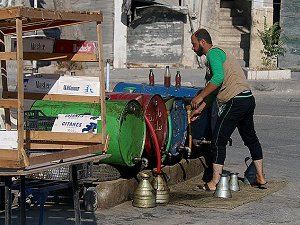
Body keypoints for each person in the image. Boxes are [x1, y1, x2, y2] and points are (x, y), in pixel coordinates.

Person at [190, 28, 267, 191]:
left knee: (218, 139)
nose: (193, 48)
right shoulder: (219, 54)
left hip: (235, 101)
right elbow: (215, 91)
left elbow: (218, 79)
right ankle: (260, 177)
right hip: (247, 99)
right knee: (250, 138)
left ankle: (214, 182)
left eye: (194, 44)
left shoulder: (212, 54)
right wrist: (201, 109)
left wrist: (198, 97)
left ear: (202, 42)